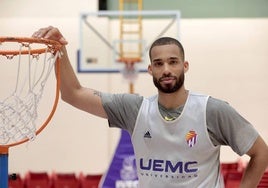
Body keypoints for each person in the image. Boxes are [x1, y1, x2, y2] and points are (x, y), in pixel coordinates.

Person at [32, 26, 268, 188]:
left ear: (185, 66)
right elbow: (73, 94)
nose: (166, 69)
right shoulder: (135, 110)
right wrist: (59, 49)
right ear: (150, 70)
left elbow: (261, 153)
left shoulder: (212, 110)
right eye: (159, 63)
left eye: (173, 62)